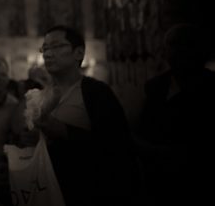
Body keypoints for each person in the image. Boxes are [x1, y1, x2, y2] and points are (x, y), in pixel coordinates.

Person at [32, 25, 139, 206]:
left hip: (90, 192)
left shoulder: (96, 92)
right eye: (45, 48)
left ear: (78, 53)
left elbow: (118, 146)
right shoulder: (40, 94)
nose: (47, 54)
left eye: (57, 47)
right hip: (49, 190)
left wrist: (63, 130)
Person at [135, 23, 215, 206]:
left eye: (181, 48)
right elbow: (142, 126)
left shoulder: (210, 87)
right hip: (159, 177)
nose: (171, 54)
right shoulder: (155, 86)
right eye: (170, 48)